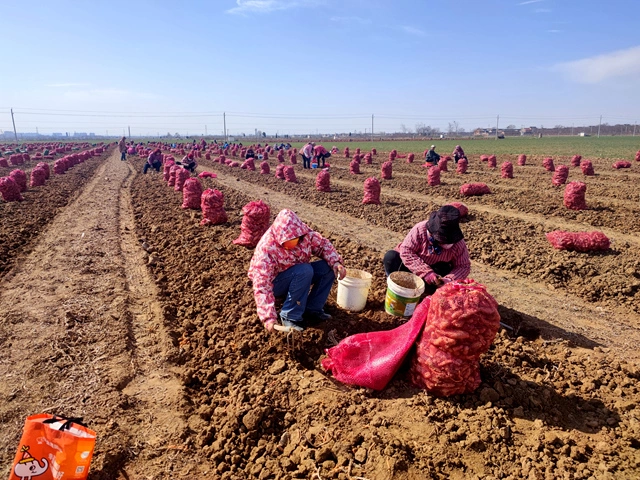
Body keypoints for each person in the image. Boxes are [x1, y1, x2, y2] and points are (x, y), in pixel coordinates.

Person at [248, 209, 347, 332]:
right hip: (276, 283)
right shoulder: (267, 249)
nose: (293, 246)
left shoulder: (304, 234)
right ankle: (290, 315)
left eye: (296, 241)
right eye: (288, 244)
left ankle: (312, 308)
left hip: (298, 274)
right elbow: (262, 284)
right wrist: (268, 317)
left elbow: (322, 245)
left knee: (328, 268)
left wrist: (336, 263)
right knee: (304, 271)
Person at [383, 205, 470, 295]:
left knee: (444, 270)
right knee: (391, 257)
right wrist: (426, 273)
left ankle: (428, 291)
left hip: (436, 272)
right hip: (413, 267)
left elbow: (463, 266)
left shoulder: (458, 243)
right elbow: (406, 251)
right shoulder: (420, 229)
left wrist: (449, 279)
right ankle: (397, 285)